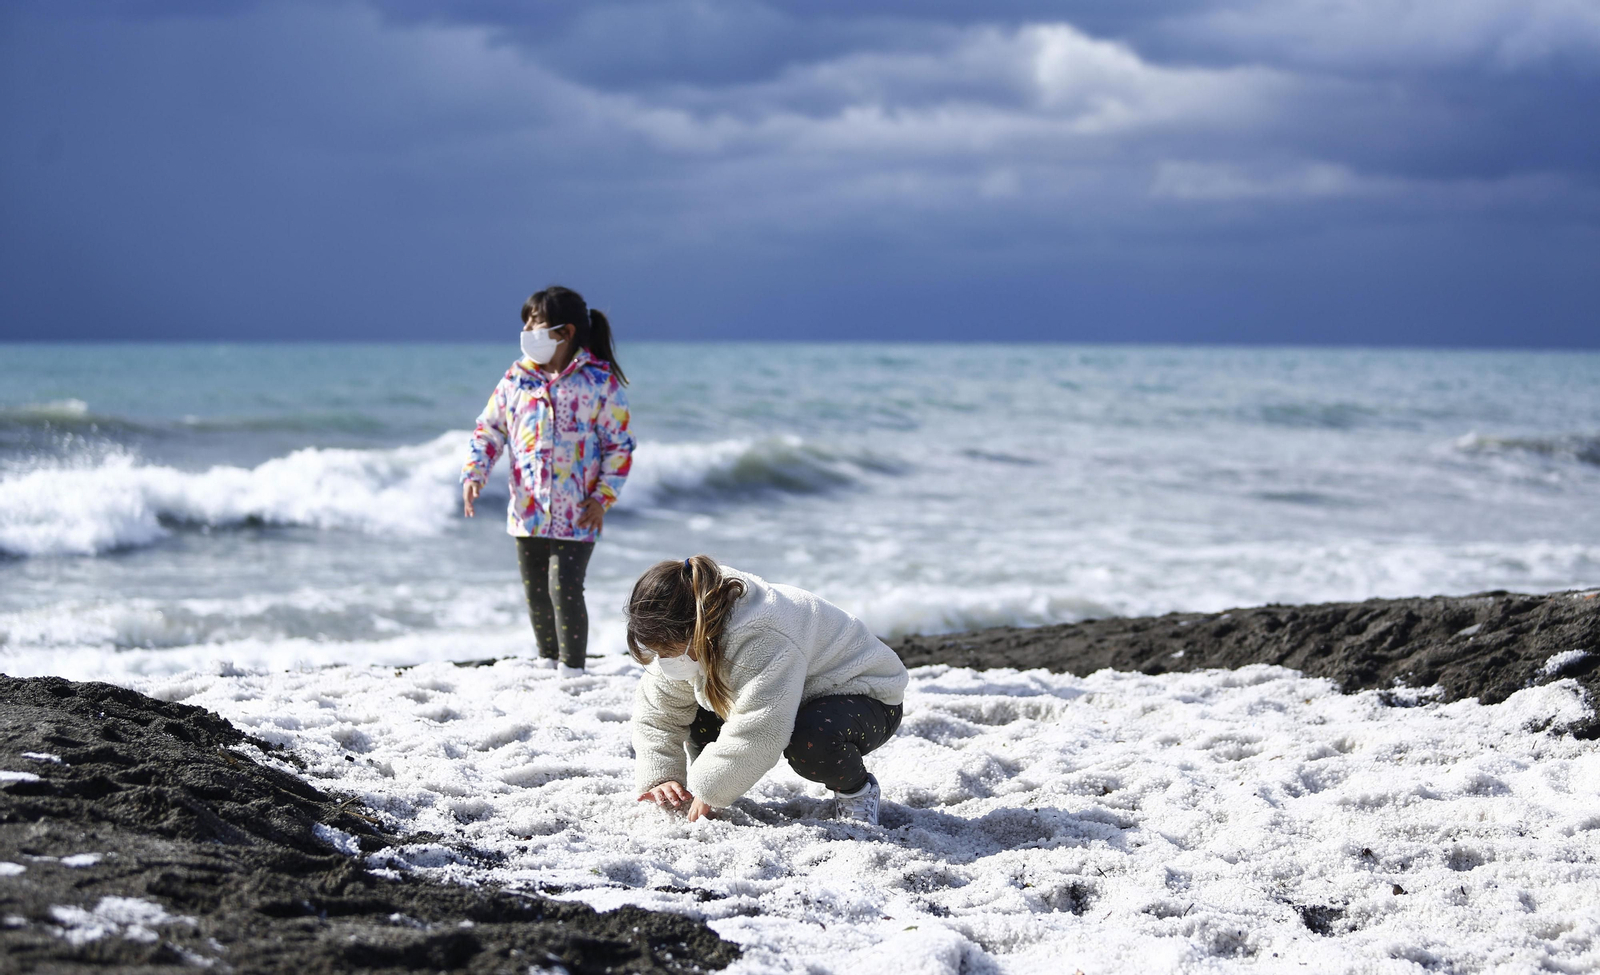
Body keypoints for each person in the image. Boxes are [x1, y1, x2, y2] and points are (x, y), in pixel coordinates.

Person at [628, 556, 908, 825]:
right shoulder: (692, 615)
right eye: (658, 652)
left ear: (695, 629)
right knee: (698, 706)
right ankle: (713, 786)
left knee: (810, 741)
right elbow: (658, 712)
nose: (664, 659)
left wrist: (709, 789)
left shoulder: (761, 634)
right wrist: (662, 776)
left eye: (668, 650)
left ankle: (856, 791)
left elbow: (762, 732)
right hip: (795, 691)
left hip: (867, 693)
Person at [462, 286, 635, 677]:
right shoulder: (516, 379)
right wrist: (475, 472)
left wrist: (602, 497)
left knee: (564, 588)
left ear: (565, 331)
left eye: (534, 321)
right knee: (536, 591)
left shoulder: (598, 382)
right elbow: (489, 430)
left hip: (578, 511)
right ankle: (546, 659)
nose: (526, 328)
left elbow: (619, 447)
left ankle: (572, 669)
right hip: (528, 510)